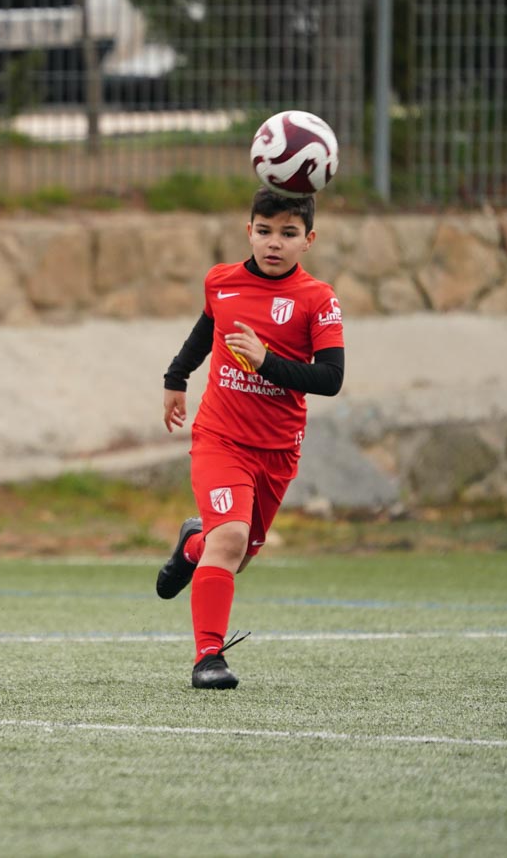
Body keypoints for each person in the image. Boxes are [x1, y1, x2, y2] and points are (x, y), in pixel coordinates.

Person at [156, 187, 345, 690]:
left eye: (287, 234)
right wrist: (176, 379)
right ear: (249, 231)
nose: (273, 243)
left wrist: (267, 362)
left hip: (278, 449)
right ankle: (207, 659)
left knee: (236, 552)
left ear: (308, 240)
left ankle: (192, 547)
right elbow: (205, 329)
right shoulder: (223, 281)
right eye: (264, 231)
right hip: (221, 438)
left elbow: (331, 378)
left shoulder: (317, 299)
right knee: (233, 537)